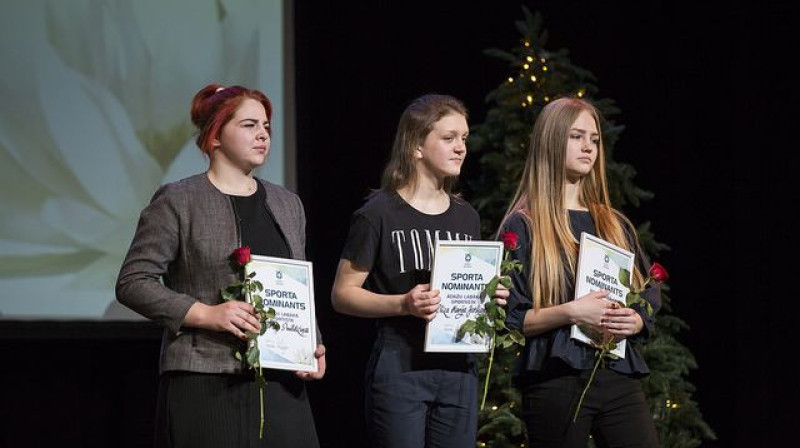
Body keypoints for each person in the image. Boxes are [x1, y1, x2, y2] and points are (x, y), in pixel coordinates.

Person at [116, 84, 325, 448]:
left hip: (281, 379)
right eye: (249, 125)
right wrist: (205, 314)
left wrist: (312, 344)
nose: (263, 134)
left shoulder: (287, 203)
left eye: (266, 126)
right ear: (215, 135)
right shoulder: (180, 200)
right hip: (205, 376)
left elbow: (294, 284)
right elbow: (133, 281)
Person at [331, 94, 509, 448]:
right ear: (416, 146)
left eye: (464, 138)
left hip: (459, 367)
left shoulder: (466, 215)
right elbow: (342, 294)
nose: (461, 148)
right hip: (401, 366)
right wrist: (403, 304)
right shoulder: (379, 213)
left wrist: (489, 298)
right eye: (449, 138)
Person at [499, 97, 661, 447]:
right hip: (555, 378)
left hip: (616, 373)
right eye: (576, 136)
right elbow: (512, 318)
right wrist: (572, 312)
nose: (589, 146)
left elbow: (648, 291)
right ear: (552, 140)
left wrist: (635, 319)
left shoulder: (613, 223)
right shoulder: (525, 225)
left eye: (595, 139)